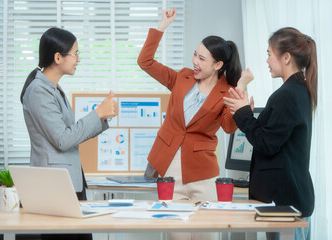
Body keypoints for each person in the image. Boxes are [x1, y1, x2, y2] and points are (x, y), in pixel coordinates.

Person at [137, 9, 252, 240]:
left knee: (204, 235)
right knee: (175, 235)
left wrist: (240, 89)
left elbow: (229, 127)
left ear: (218, 64)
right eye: (195, 55)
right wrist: (162, 25)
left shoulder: (226, 92)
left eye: (202, 58)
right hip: (170, 166)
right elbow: (145, 62)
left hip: (203, 172)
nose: (195, 62)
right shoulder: (182, 76)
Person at [20, 27, 118, 240]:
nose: (78, 59)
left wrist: (102, 117)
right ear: (57, 57)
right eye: (75, 53)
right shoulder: (39, 90)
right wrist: (97, 113)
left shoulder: (54, 89)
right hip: (55, 186)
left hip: (68, 181)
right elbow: (63, 139)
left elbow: (70, 136)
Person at [223, 27, 317, 240]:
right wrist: (246, 113)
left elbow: (266, 144)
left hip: (285, 202)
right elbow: (273, 138)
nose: (266, 61)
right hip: (286, 199)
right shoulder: (295, 91)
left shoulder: (289, 94)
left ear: (286, 57)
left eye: (269, 54)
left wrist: (244, 113)